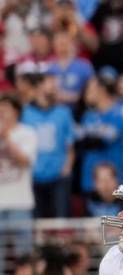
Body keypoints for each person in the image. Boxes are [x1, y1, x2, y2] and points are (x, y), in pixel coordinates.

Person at [22, 66, 75, 219]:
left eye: (55, 83)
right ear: (38, 86)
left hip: (59, 176)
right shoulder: (25, 112)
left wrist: (67, 167)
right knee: (36, 222)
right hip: (33, 176)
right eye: (50, 82)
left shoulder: (63, 112)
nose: (54, 86)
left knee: (61, 220)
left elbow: (70, 144)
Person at [0, 94, 38, 256]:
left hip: (20, 202)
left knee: (24, 255)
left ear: (16, 112)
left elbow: (24, 161)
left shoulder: (28, 134)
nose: (2, 113)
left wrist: (6, 137)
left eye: (6, 109)